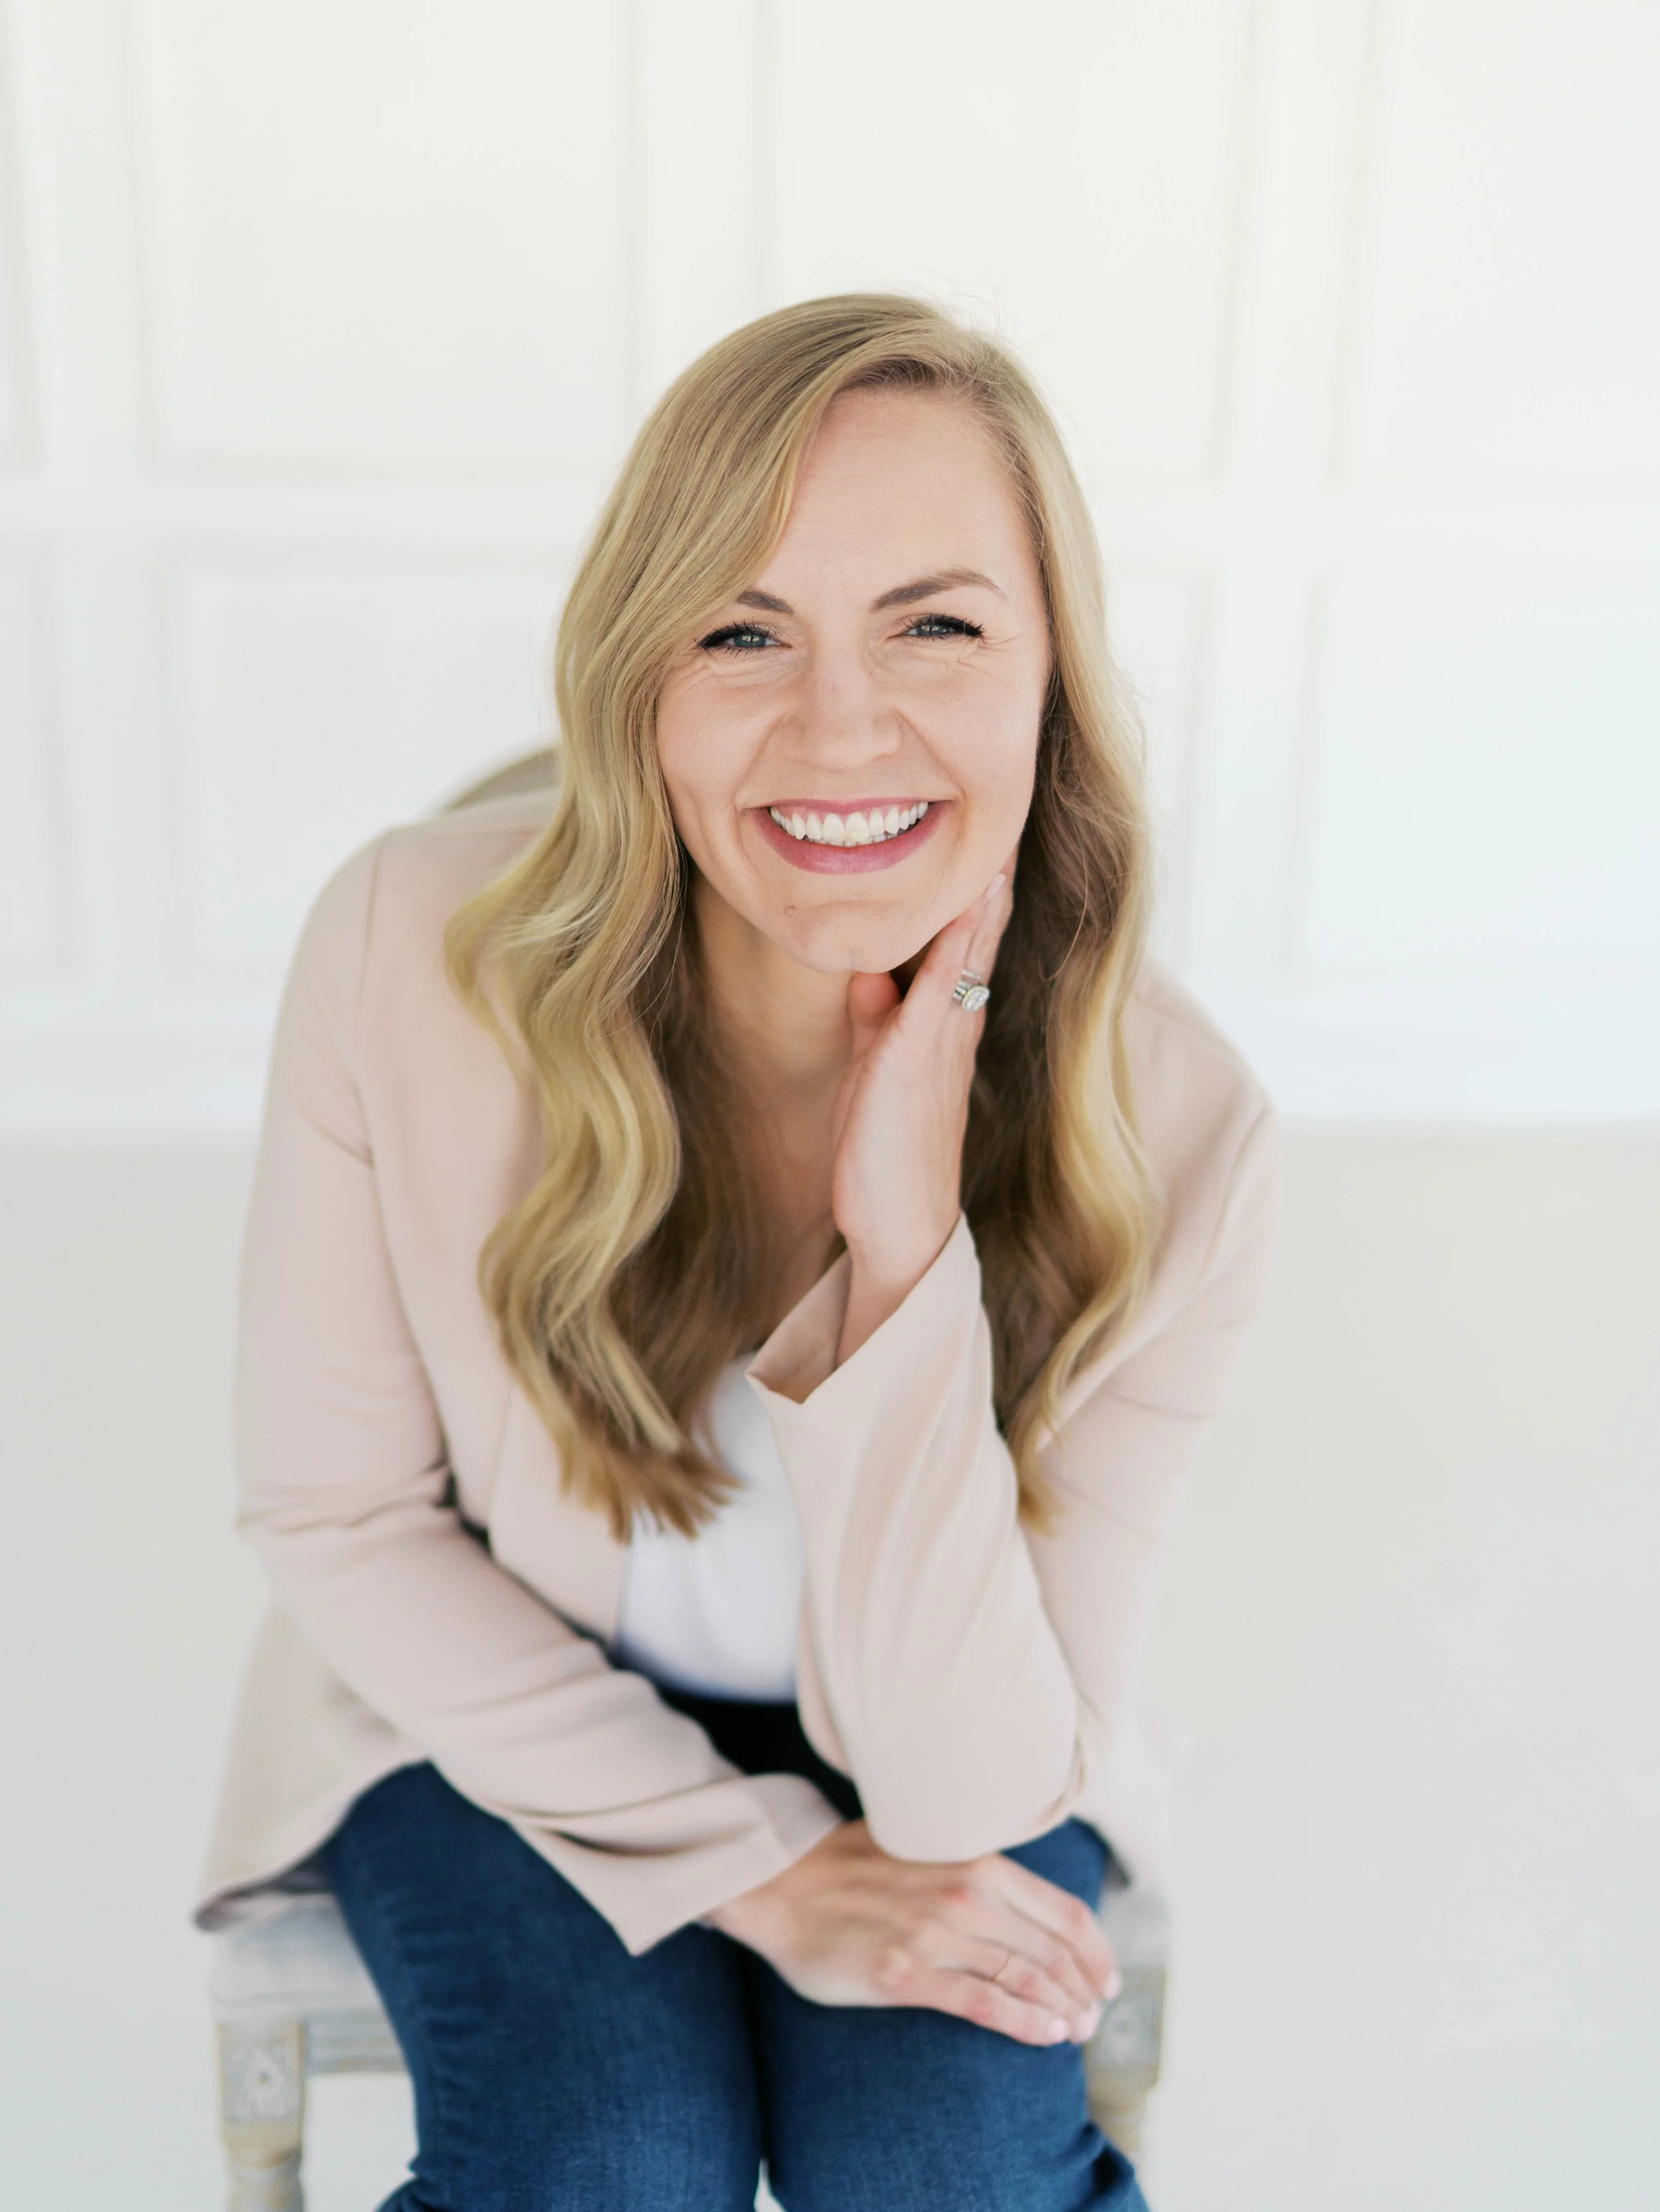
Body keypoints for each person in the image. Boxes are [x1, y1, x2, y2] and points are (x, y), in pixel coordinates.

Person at [191, 293, 1282, 2211]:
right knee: (605, 2165)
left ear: (1050, 678)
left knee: (942, 2177)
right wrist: (761, 1866)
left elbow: (962, 1799)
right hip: (486, 1695)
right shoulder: (401, 953)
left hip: (962, 1740)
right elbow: (339, 1519)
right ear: (641, 685)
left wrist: (897, 1259)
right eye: (741, 630)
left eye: (937, 625)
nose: (839, 725)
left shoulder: (1178, 1125)